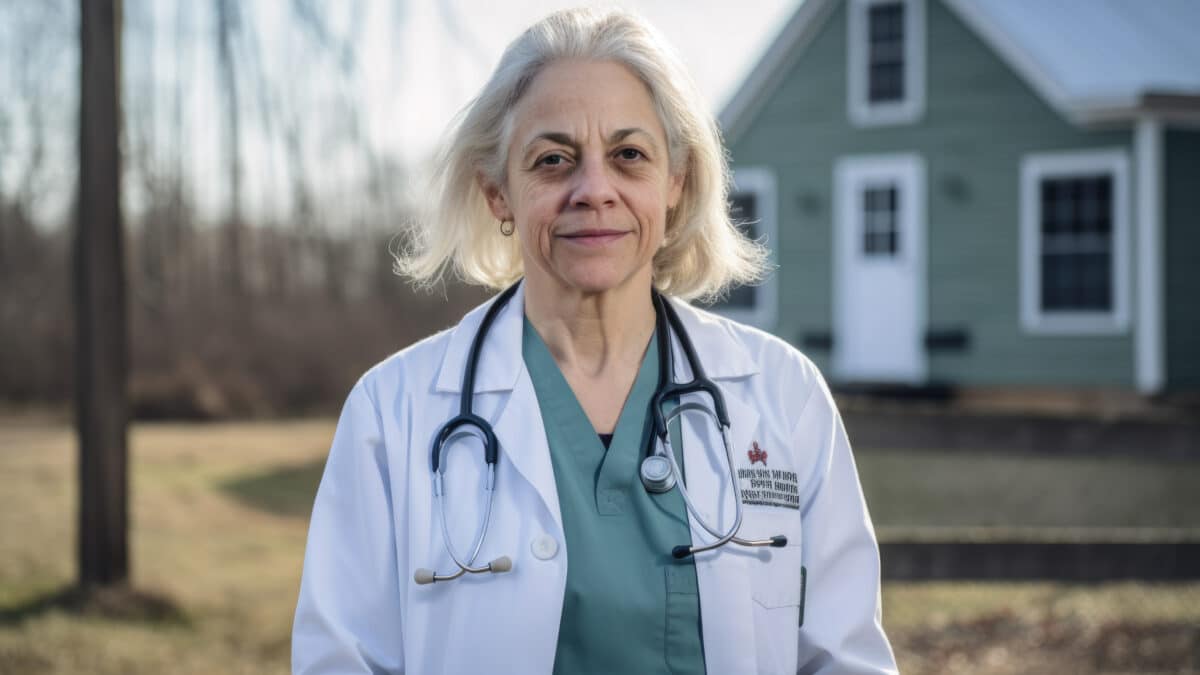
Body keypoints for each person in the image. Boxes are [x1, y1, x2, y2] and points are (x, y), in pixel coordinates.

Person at [292, 7, 896, 674]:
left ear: (676, 182)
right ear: (498, 191)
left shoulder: (784, 395)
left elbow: (846, 660)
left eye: (629, 156)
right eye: (553, 160)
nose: (593, 190)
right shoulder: (392, 411)